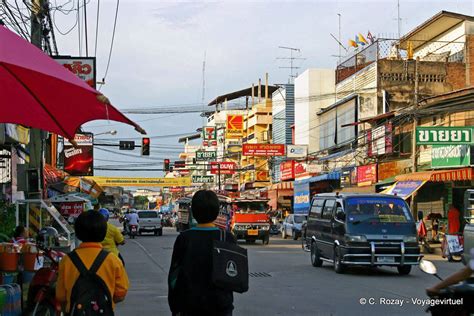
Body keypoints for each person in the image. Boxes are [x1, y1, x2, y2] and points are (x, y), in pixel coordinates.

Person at [168, 190, 236, 316]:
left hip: (189, 305)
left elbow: (174, 276)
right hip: (220, 306)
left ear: (193, 212)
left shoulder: (184, 238)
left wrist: (175, 307)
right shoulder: (227, 237)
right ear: (217, 212)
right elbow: (234, 276)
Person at [56, 210, 129, 314]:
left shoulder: (67, 261)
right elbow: (121, 294)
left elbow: (60, 296)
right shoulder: (113, 260)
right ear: (103, 233)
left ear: (78, 233)